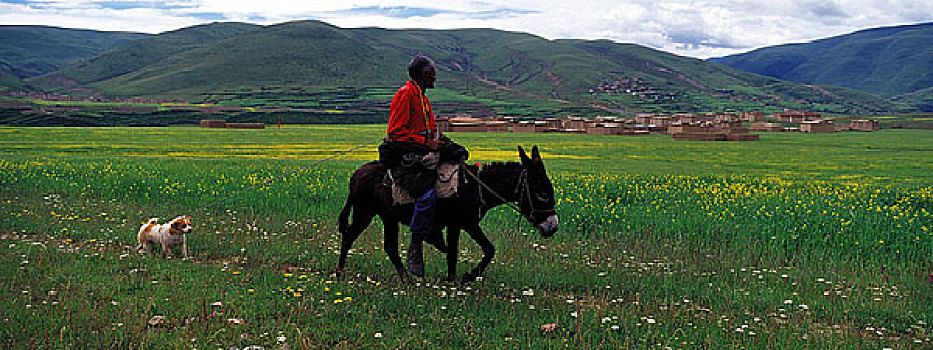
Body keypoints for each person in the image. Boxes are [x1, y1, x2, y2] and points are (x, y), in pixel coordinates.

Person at [380, 55, 467, 277]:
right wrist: (426, 143)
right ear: (423, 75)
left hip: (423, 152)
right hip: (406, 158)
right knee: (427, 195)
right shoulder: (405, 95)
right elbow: (396, 132)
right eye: (432, 73)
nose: (435, 76)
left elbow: (429, 131)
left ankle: (434, 229)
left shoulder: (423, 98)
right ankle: (416, 245)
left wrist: (448, 145)